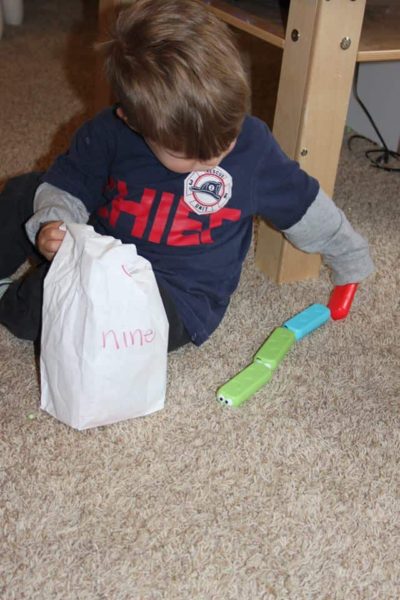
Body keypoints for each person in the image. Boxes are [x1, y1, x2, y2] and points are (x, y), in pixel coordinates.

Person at [0, 0, 374, 351]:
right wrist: (56, 223)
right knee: (24, 191)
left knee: (43, 304)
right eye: (189, 155)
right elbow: (68, 184)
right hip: (102, 249)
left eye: (225, 139)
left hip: (175, 299)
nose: (213, 158)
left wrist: (350, 256)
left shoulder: (252, 146)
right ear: (131, 120)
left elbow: (304, 206)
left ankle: (12, 303)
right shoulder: (107, 134)